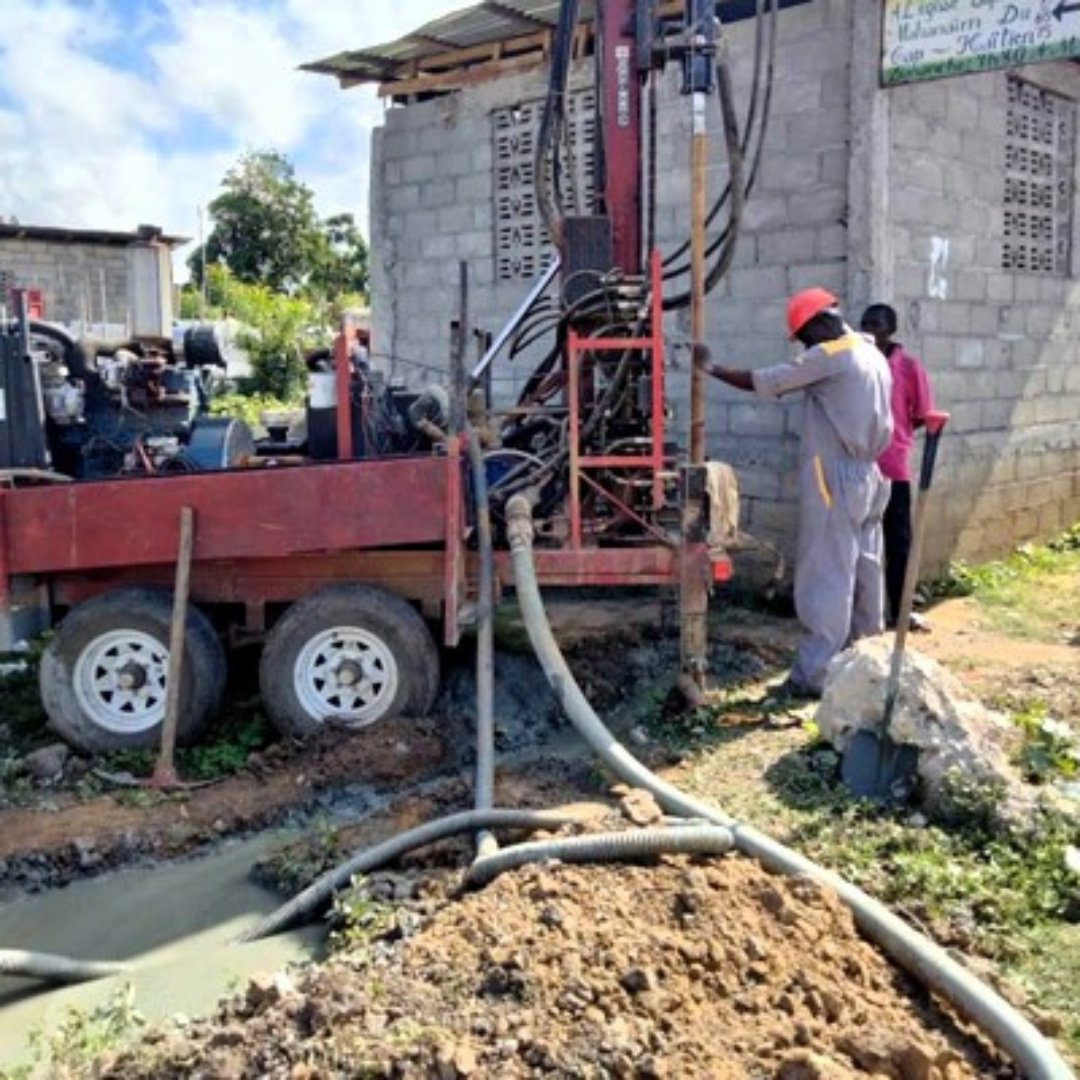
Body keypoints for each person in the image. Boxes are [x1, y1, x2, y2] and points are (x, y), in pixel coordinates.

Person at [695, 287, 893, 698]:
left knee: (827, 572)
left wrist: (711, 367)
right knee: (866, 566)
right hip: (871, 473)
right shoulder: (871, 352)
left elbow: (766, 381)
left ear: (818, 324)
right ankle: (868, 658)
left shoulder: (830, 355)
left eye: (804, 338)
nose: (805, 347)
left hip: (836, 476)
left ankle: (815, 674)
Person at [859, 303, 934, 632]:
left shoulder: (907, 367)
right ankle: (864, 613)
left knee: (898, 542)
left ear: (890, 330)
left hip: (892, 467)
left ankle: (902, 609)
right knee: (860, 542)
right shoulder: (855, 364)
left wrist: (895, 437)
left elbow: (921, 413)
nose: (869, 331)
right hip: (858, 466)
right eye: (865, 324)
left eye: (876, 325)